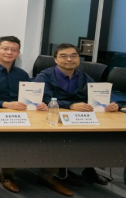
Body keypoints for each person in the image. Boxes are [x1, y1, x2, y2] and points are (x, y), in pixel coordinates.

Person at [0, 36, 55, 195]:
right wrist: (6, 104)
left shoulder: (22, 74)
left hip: (21, 113)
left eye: (14, 50)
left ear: (18, 53)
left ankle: (48, 173)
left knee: (50, 131)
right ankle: (7, 173)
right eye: (5, 49)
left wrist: (39, 103)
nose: (9, 52)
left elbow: (29, 96)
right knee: (12, 136)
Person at [35, 43, 120, 186]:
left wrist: (113, 104)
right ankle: (53, 172)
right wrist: (70, 105)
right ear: (55, 59)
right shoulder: (44, 77)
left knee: (96, 135)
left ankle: (88, 168)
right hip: (52, 119)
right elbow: (43, 99)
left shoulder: (85, 78)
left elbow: (100, 96)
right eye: (63, 56)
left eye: (73, 56)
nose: (69, 59)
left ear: (78, 59)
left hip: (79, 118)